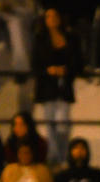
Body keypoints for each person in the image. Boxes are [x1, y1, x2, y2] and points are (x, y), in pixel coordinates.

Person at [33, 6, 81, 165]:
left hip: (64, 85)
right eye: (48, 16)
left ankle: (62, 155)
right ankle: (55, 157)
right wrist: (49, 70)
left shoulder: (70, 37)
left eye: (55, 16)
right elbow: (36, 64)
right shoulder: (40, 38)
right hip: (47, 87)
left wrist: (65, 70)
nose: (52, 19)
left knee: (63, 125)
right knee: (50, 124)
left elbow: (77, 62)